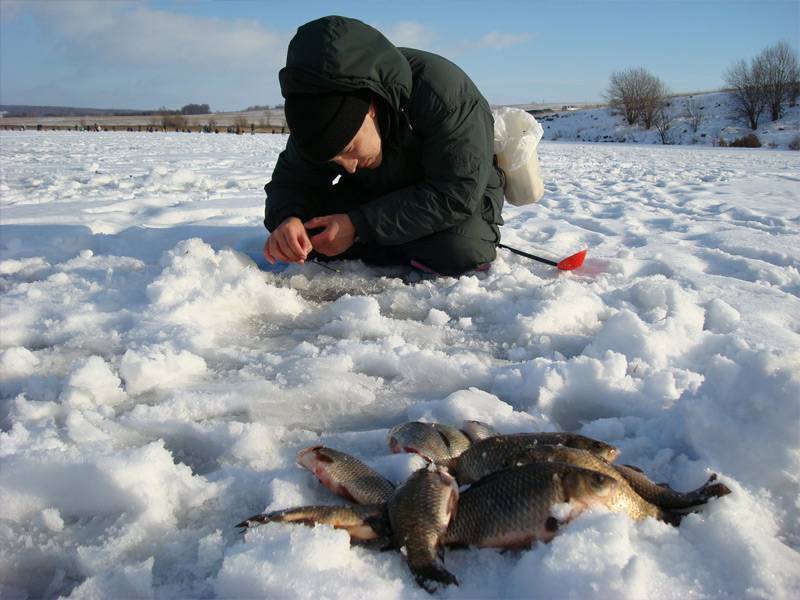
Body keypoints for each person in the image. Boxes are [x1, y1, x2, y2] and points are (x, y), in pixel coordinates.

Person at [263, 15, 505, 276]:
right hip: (375, 194)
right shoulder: (315, 117)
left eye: (347, 149)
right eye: (333, 160)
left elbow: (457, 191)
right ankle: (394, 242)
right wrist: (289, 220)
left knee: (460, 249)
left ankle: (391, 242)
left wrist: (359, 226)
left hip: (456, 194)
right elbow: (291, 181)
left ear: (370, 109)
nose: (349, 167)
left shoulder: (443, 93)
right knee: (313, 234)